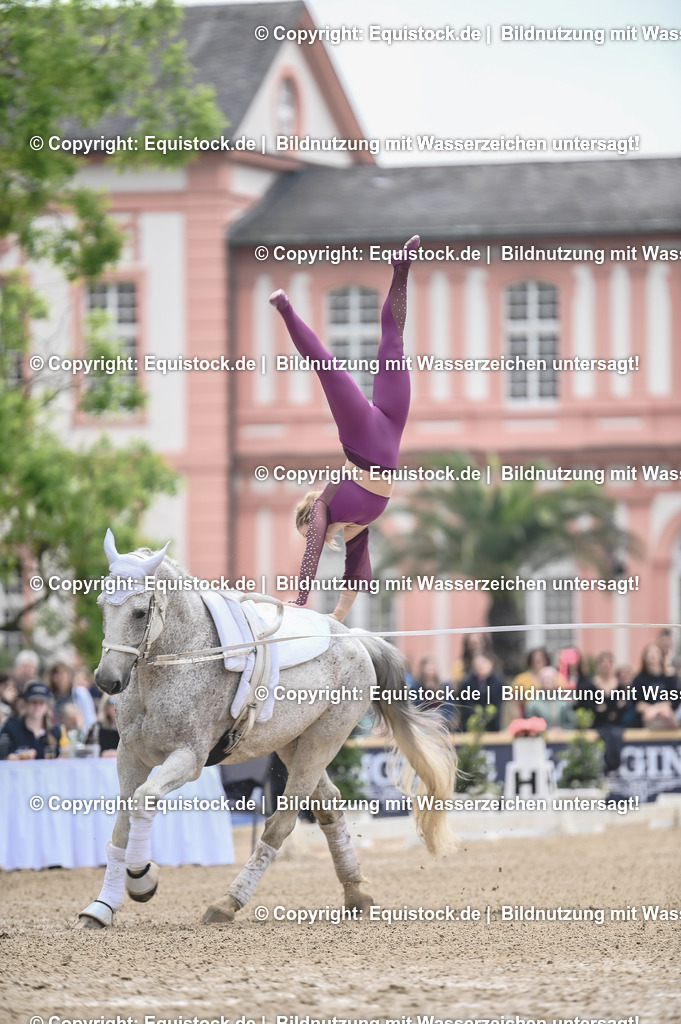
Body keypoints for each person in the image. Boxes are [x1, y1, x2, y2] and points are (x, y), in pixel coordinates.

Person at [270, 235, 419, 621]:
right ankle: (401, 268)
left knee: (327, 367)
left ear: (309, 523)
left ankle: (286, 308)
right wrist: (337, 617)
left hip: (363, 440)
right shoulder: (354, 528)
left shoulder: (322, 508)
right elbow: (357, 572)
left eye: (311, 534)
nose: (320, 539)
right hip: (391, 427)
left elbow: (312, 553)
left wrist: (301, 599)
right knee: (393, 344)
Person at [0, 680, 61, 759]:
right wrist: (15, 757)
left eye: (41, 702)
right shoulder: (11, 727)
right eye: (33, 702)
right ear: (25, 703)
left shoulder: (55, 731)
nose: (37, 706)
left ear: (47, 706)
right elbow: (2, 754)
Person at [631, 642, 680, 730]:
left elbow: (674, 700)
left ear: (661, 656)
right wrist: (650, 710)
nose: (653, 655)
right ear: (644, 657)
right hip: (646, 718)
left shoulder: (670, 677)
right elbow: (637, 703)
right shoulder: (638, 679)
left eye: (656, 652)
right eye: (649, 652)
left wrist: (656, 709)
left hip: (667, 717)